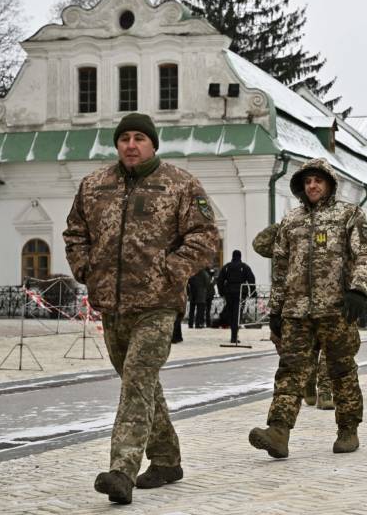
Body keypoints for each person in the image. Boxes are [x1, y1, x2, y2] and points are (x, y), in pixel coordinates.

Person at [63, 112, 219, 504]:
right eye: (124, 139)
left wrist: (171, 270)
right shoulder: (94, 185)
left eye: (139, 138)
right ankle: (167, 460)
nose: (131, 145)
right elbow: (75, 232)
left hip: (158, 305)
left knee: (136, 379)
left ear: (153, 143)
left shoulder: (180, 184)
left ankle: (122, 471)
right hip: (112, 305)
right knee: (142, 384)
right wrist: (85, 267)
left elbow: (204, 237)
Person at [248, 158, 367, 458]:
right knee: (290, 372)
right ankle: (279, 432)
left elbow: (366, 253)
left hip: (336, 311)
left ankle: (348, 429)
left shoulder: (349, 215)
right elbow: (280, 269)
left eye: (318, 180)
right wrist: (276, 311)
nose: (313, 186)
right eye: (307, 181)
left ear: (329, 184)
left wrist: (358, 289)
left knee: (341, 371)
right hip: (297, 312)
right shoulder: (292, 221)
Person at [253, 222, 334, 408]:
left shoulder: (331, 227)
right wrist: (285, 224)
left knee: (329, 347)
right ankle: (309, 386)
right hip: (293, 303)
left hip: (325, 301)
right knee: (304, 350)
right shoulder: (289, 236)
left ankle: (325, 392)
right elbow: (259, 244)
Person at [216, 250, 256, 344]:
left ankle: (233, 335)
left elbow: (219, 281)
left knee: (232, 314)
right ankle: (234, 336)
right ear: (240, 256)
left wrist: (221, 292)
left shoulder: (227, 267)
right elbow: (251, 279)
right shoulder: (244, 267)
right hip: (241, 293)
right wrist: (253, 292)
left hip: (229, 293)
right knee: (238, 315)